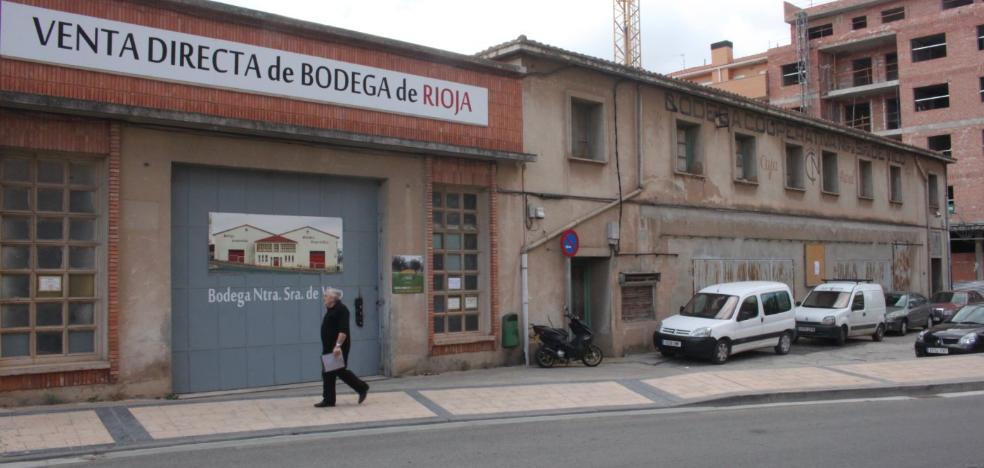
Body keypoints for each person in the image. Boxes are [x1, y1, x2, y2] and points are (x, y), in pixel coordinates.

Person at [315, 287, 369, 408]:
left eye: (326, 295)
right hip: (329, 346)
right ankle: (329, 399)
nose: (324, 297)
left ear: (333, 298)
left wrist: (337, 346)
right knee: (329, 373)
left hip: (337, 347)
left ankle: (362, 387)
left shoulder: (341, 310)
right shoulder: (331, 309)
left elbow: (343, 331)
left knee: (338, 371)